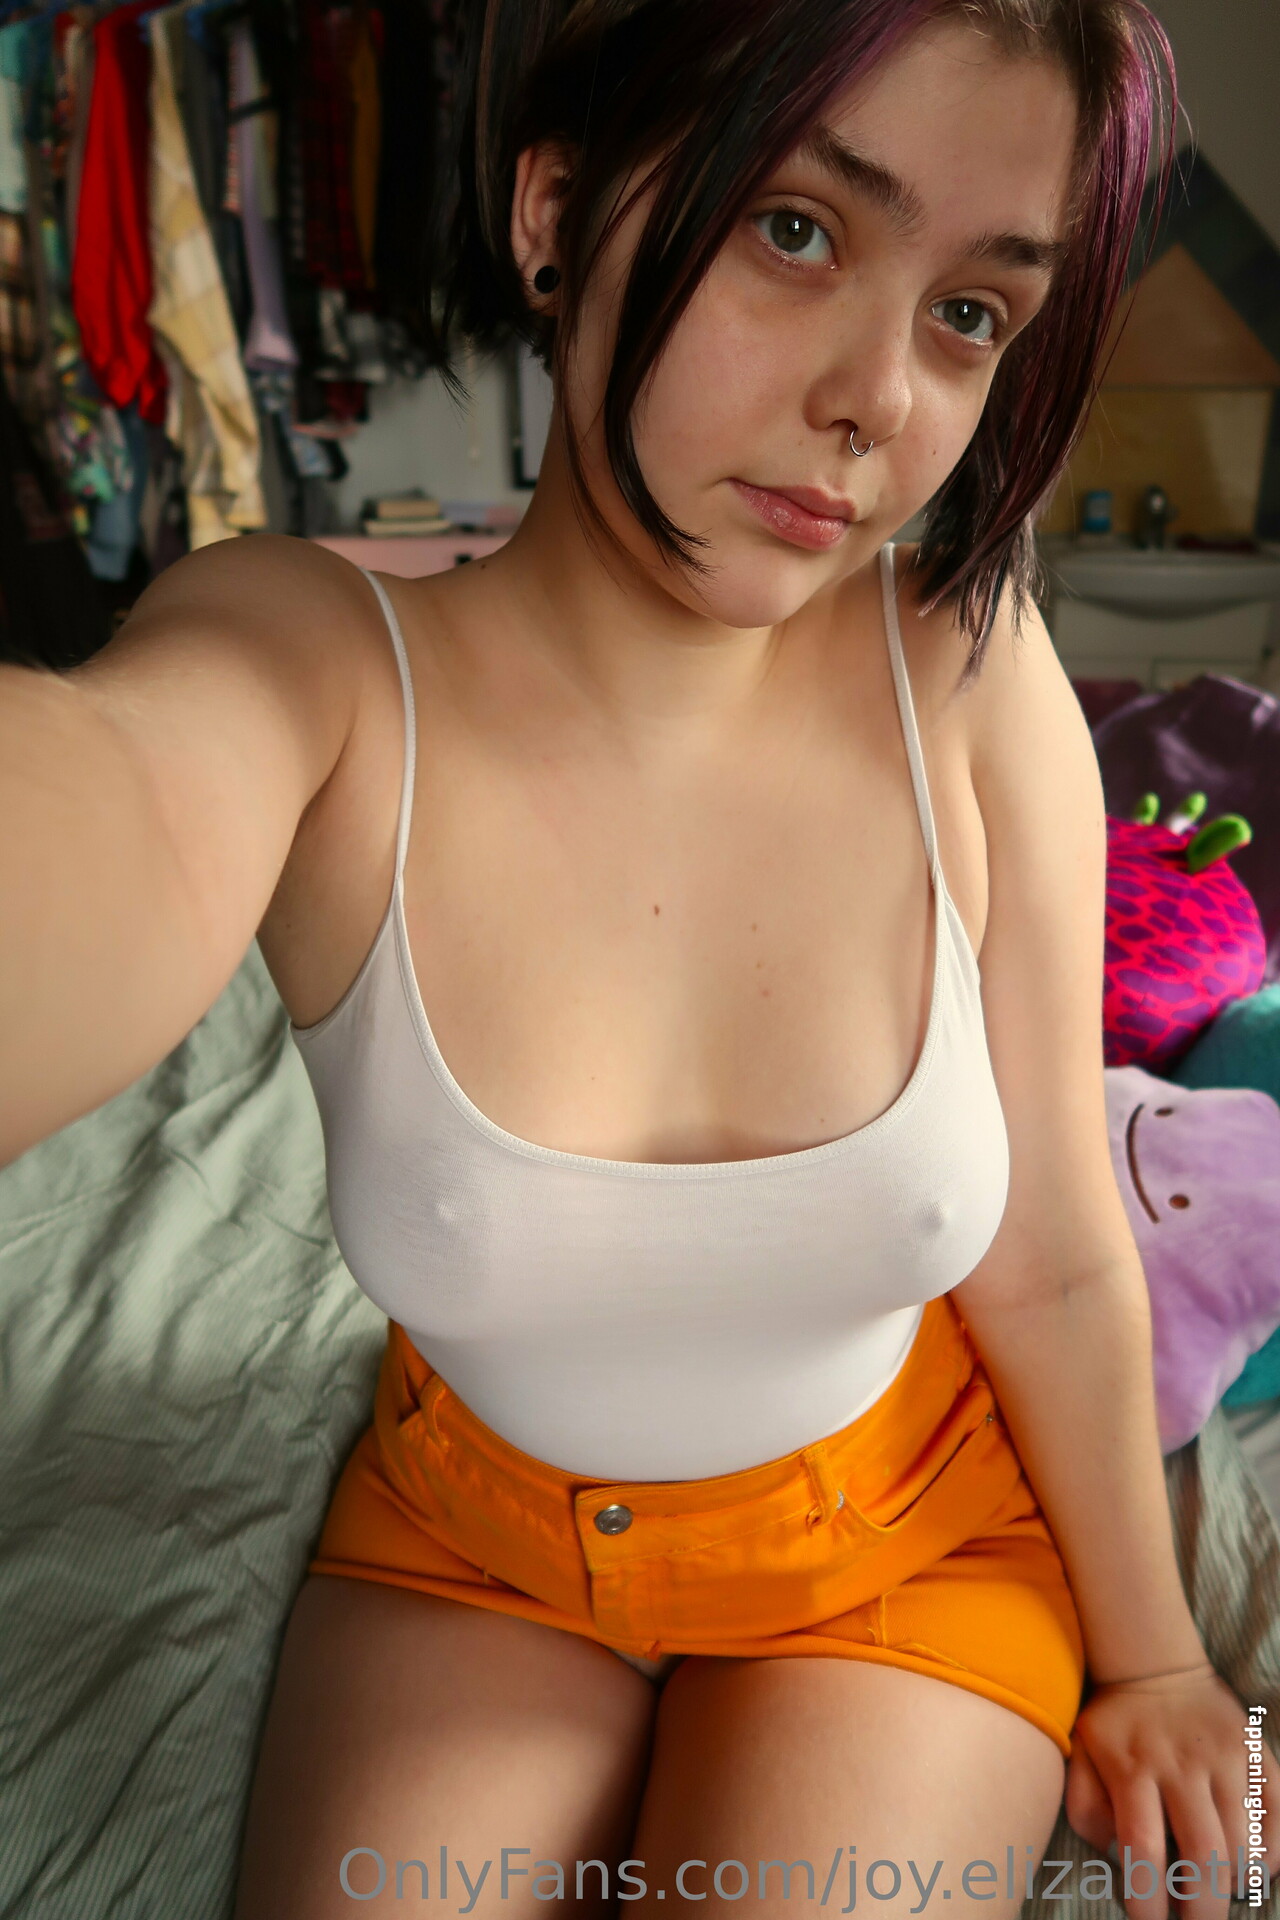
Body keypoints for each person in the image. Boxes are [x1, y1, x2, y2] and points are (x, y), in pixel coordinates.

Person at [2, 0, 1277, 1916]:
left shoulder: (968, 675)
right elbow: (109, 799)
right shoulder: (313, 669)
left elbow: (1052, 1254)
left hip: (906, 1541)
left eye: (969, 314)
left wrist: (1161, 1659)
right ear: (556, 212)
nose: (880, 399)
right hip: (473, 1539)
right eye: (797, 229)